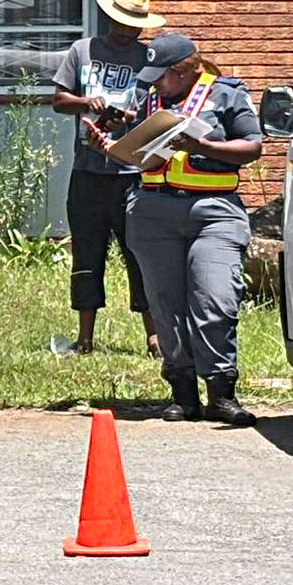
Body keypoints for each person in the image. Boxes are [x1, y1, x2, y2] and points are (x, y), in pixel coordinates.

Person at [114, 33, 263, 426]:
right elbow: (134, 149)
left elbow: (252, 146)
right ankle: (182, 394)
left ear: (182, 71)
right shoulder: (148, 98)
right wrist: (110, 145)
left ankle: (222, 392)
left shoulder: (227, 94)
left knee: (214, 298)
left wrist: (205, 148)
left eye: (161, 76)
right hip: (152, 210)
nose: (154, 83)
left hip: (213, 213)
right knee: (165, 305)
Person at [51, 0, 162, 357]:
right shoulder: (82, 51)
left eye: (131, 26)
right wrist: (87, 102)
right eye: (118, 23)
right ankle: (85, 337)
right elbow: (59, 100)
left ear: (141, 28)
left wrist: (128, 116)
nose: (123, 31)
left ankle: (153, 337)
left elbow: (156, 111)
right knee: (87, 253)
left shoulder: (149, 60)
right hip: (87, 172)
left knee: (139, 253)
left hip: (131, 176)